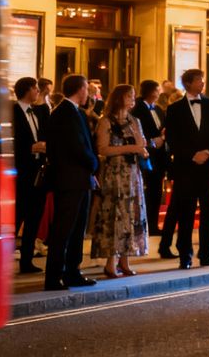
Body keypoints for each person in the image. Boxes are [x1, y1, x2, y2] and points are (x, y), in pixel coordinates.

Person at [43, 74, 99, 291]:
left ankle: (72, 272)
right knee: (63, 230)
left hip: (80, 178)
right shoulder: (64, 113)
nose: (89, 93)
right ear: (79, 89)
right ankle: (54, 276)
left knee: (77, 229)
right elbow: (76, 147)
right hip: (69, 180)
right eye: (86, 88)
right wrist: (94, 163)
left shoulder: (76, 112)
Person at [164, 68, 209, 269]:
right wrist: (192, 155)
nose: (202, 83)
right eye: (199, 80)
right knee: (185, 213)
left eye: (203, 80)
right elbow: (172, 139)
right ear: (188, 83)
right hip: (186, 168)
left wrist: (207, 152)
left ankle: (207, 254)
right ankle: (185, 256)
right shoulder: (174, 109)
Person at [89, 84, 149, 278]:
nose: (133, 99)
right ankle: (110, 263)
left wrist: (139, 147)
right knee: (114, 217)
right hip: (114, 175)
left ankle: (125, 260)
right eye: (129, 96)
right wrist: (131, 148)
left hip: (132, 174)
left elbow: (141, 145)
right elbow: (103, 149)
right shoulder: (106, 121)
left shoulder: (134, 121)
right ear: (118, 98)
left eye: (133, 96)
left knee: (131, 216)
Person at [12, 76, 50, 274]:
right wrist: (30, 148)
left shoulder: (37, 112)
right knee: (16, 218)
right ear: (27, 89)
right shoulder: (13, 112)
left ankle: (26, 261)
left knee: (34, 218)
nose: (38, 92)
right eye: (36, 89)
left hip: (38, 172)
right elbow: (9, 142)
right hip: (21, 173)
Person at [131, 79, 168, 237]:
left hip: (159, 157)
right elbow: (137, 133)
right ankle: (143, 225)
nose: (159, 92)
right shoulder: (137, 109)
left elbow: (163, 128)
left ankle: (153, 224)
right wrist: (153, 142)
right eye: (157, 90)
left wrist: (164, 136)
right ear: (150, 91)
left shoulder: (159, 109)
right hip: (145, 156)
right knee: (145, 192)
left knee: (156, 192)